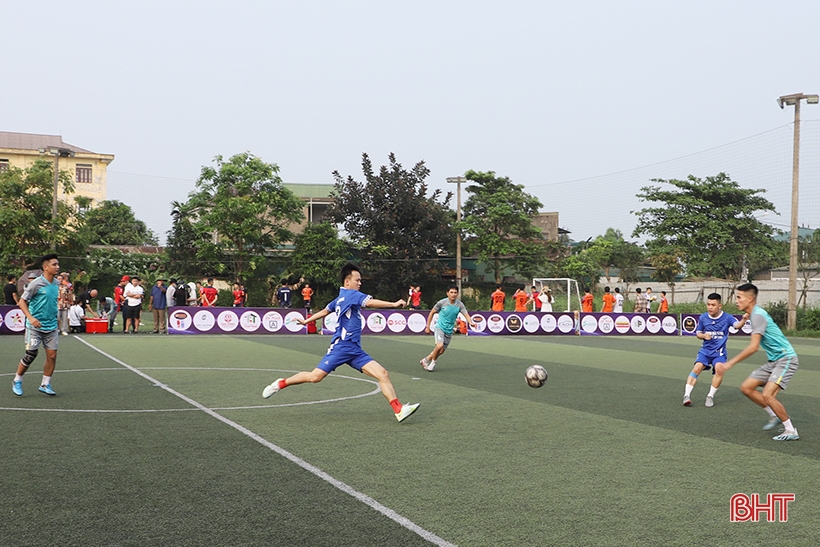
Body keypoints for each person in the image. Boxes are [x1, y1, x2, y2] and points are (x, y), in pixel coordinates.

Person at [262, 263, 420, 423]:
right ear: (347, 282)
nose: (360, 283)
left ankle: (398, 410)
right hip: (341, 347)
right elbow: (370, 303)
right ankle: (281, 383)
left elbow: (325, 310)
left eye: (360, 281)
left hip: (355, 350)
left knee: (382, 374)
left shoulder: (340, 298)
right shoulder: (352, 295)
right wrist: (393, 304)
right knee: (315, 377)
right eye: (357, 280)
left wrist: (306, 321)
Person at [716, 283, 801, 441]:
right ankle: (773, 415)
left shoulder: (758, 315)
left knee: (768, 395)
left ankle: (790, 430)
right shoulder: (754, 314)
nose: (737, 301)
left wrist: (729, 364)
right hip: (774, 361)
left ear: (750, 299)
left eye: (739, 297)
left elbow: (753, 347)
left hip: (786, 359)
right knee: (746, 387)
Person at [11, 254, 61, 397]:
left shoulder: (57, 283)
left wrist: (55, 317)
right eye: (54, 264)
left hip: (51, 326)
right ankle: (17, 380)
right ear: (45, 267)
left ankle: (45, 384)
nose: (57, 267)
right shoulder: (36, 283)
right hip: (35, 327)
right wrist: (31, 318)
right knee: (31, 354)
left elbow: (51, 302)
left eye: (58, 264)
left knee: (52, 356)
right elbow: (21, 302)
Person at [682, 293, 743, 408]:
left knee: (719, 369)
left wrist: (744, 320)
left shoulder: (727, 317)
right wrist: (704, 336)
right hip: (705, 351)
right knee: (697, 368)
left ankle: (710, 396)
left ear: (720, 306)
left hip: (719, 353)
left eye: (713, 305)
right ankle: (686, 396)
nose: (710, 307)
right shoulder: (704, 317)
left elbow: (737, 325)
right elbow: (698, 333)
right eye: (708, 304)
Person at [420, 284, 477, 372]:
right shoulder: (442, 303)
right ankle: (433, 363)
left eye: (455, 292)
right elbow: (431, 313)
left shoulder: (459, 305)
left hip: (449, 330)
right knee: (439, 345)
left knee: (441, 351)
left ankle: (426, 360)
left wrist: (471, 322)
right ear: (447, 293)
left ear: (457, 294)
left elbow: (466, 314)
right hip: (440, 328)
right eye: (451, 292)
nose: (453, 294)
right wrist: (427, 326)